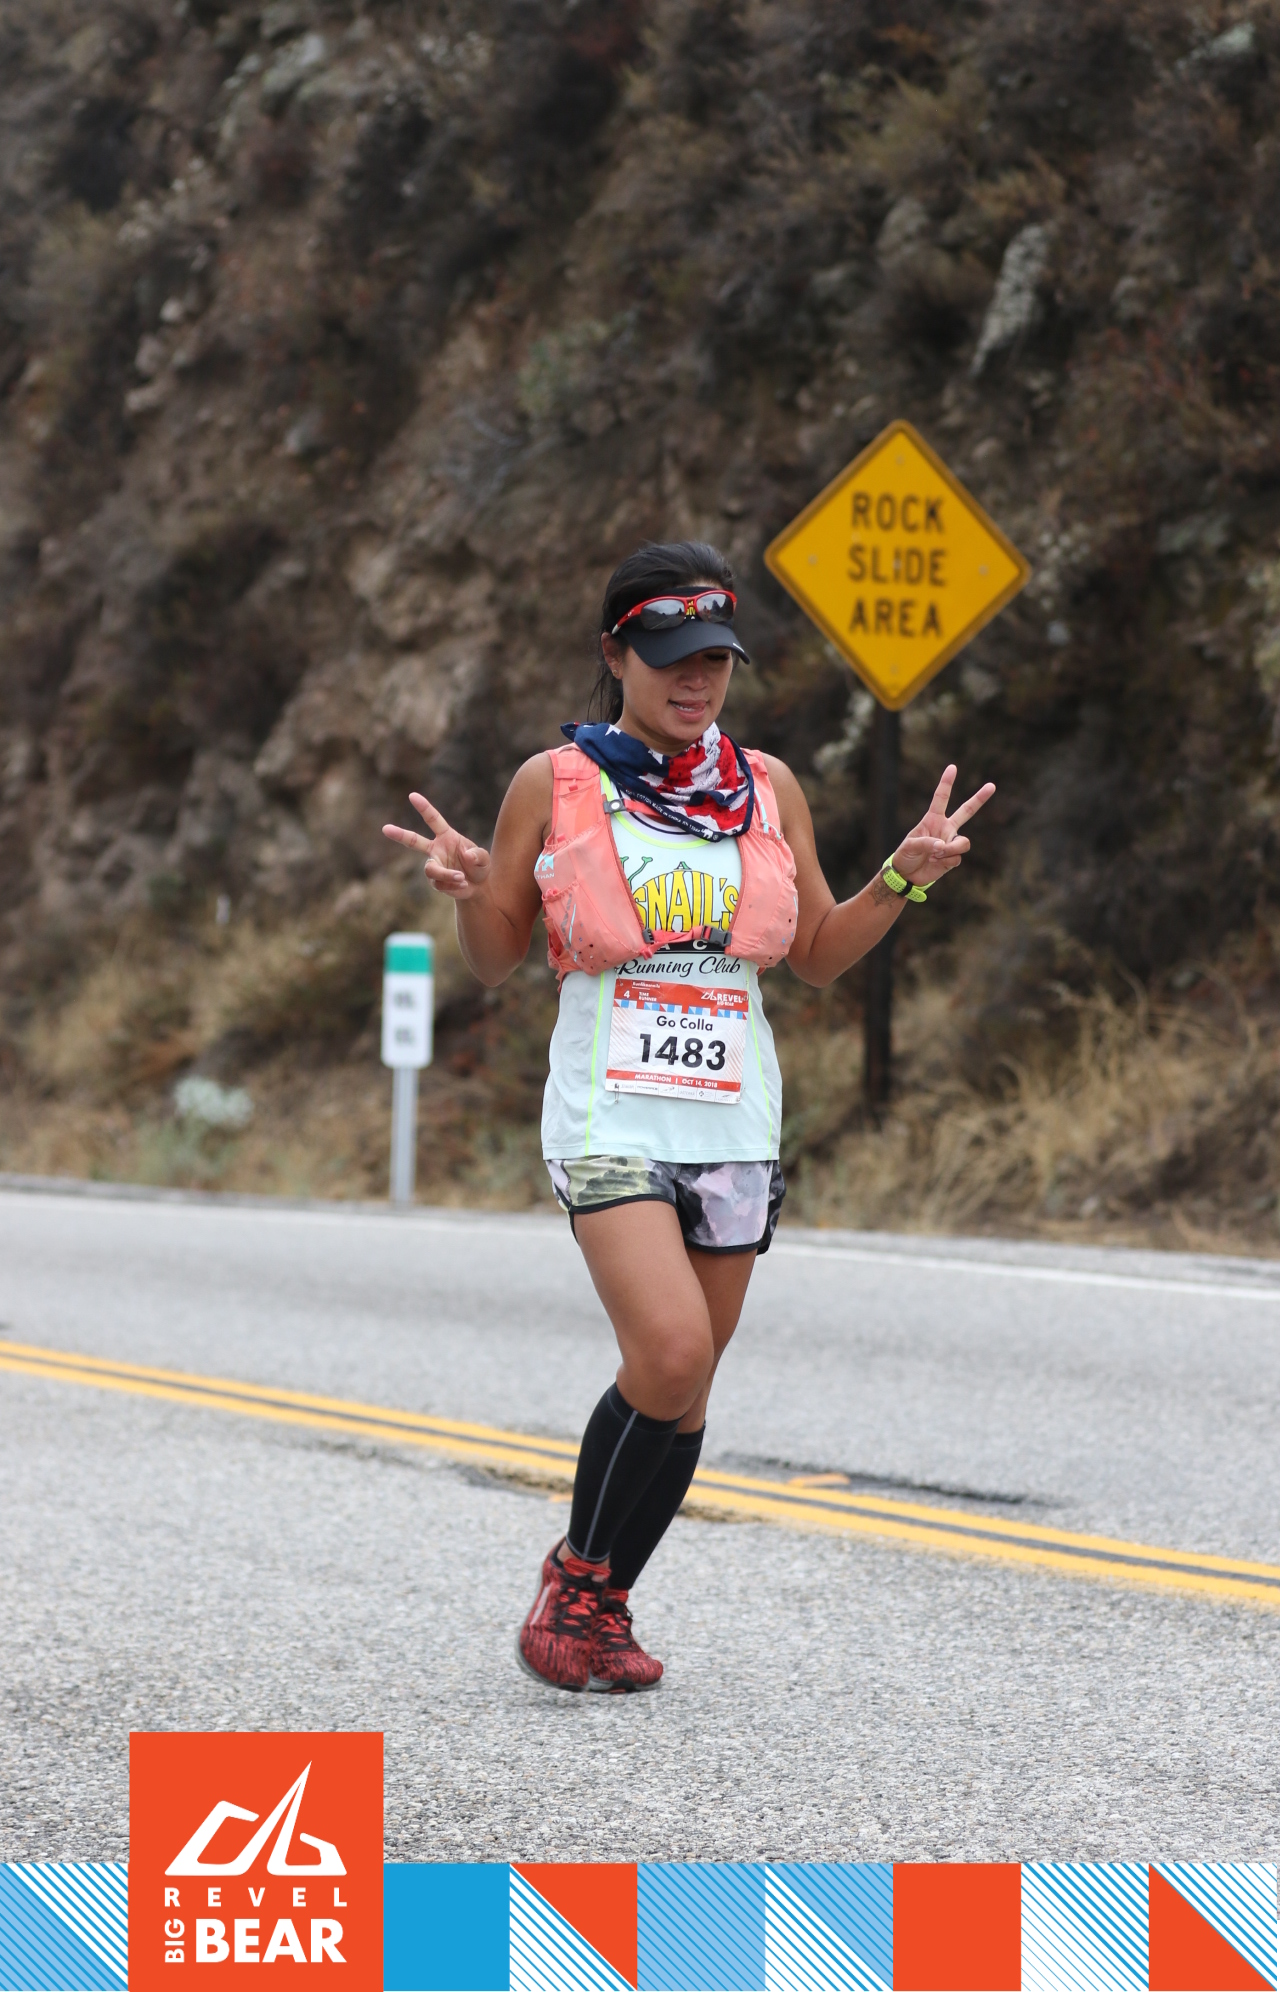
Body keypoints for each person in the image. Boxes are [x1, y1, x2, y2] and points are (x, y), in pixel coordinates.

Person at [383, 540, 993, 1693]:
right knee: (664, 1352)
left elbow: (815, 955)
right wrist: (467, 894)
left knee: (692, 1380)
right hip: (608, 1112)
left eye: (713, 658)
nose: (695, 679)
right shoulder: (554, 784)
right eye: (669, 657)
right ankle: (572, 1577)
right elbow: (497, 956)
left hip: (729, 1121)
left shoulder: (766, 787)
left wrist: (901, 878)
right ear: (614, 655)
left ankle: (604, 1604)